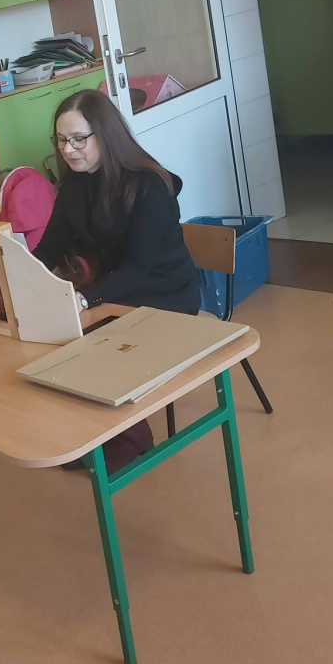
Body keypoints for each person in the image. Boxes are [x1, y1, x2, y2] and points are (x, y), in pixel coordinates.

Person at [32, 89, 199, 471]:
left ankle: (129, 439)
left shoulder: (149, 185)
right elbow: (50, 248)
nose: (68, 149)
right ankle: (92, 434)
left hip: (166, 295)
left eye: (78, 139)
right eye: (61, 140)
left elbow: (140, 267)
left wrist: (86, 298)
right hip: (116, 293)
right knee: (55, 337)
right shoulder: (75, 184)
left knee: (91, 343)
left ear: (105, 135)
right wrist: (18, 277)